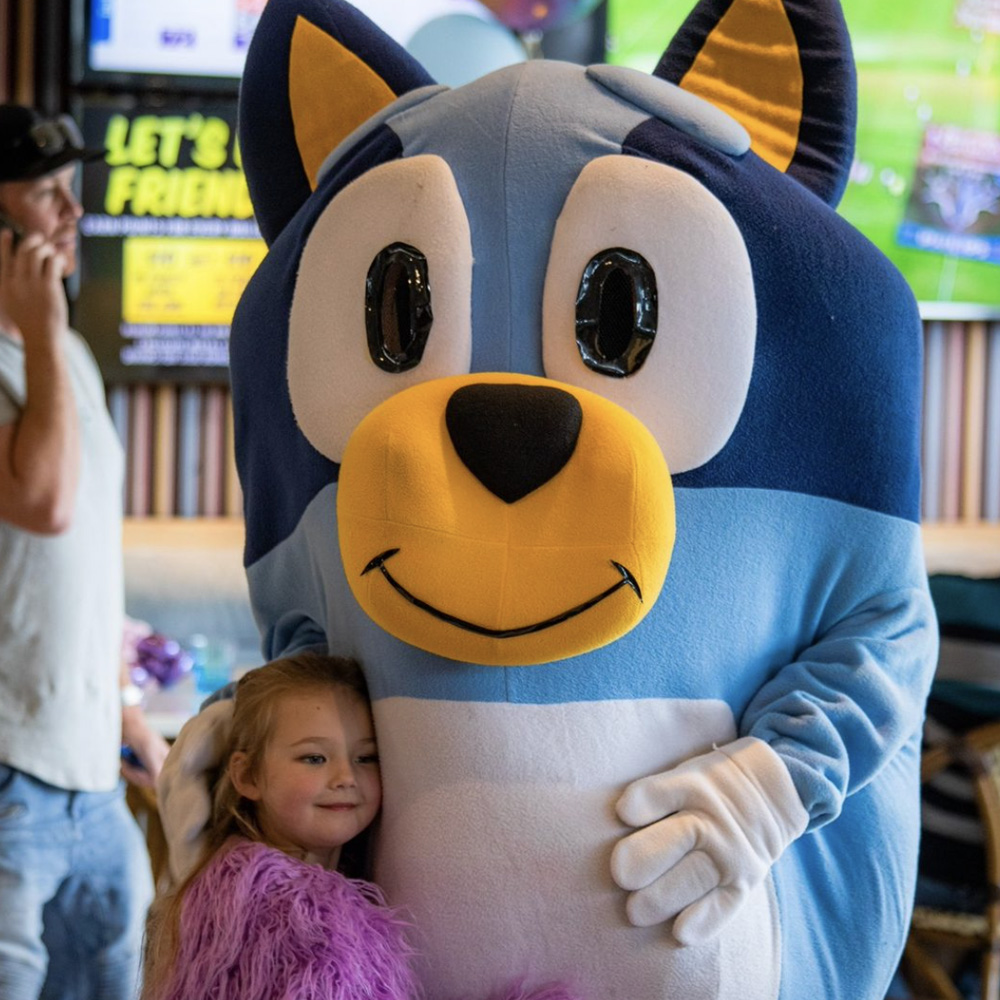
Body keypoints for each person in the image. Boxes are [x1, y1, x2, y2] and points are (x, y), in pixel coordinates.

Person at [0, 103, 169, 1000]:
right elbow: (45, 503)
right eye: (45, 195)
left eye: (73, 193)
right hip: (9, 772)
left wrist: (127, 715)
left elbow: (85, 569)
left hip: (91, 767)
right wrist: (35, 330)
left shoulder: (67, 355)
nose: (72, 215)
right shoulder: (38, 347)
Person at [141, 651, 418, 1000]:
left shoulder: (245, 879)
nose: (346, 777)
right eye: (314, 758)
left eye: (366, 757)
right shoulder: (289, 914)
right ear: (247, 776)